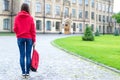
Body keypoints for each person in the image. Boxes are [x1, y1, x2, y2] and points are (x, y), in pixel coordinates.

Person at [13, 3, 36, 78]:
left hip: (20, 38)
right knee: (28, 56)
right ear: (28, 9)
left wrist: (18, 35)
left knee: (22, 55)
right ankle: (27, 73)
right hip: (29, 38)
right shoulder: (30, 18)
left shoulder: (17, 17)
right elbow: (33, 30)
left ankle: (23, 73)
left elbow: (15, 29)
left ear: (21, 8)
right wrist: (34, 40)